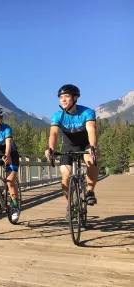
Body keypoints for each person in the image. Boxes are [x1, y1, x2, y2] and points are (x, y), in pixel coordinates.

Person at [45, 84, 100, 219]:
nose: (63, 100)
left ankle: (90, 191)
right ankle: (69, 204)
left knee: (91, 161)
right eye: (61, 97)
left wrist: (93, 147)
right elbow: (54, 134)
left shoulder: (87, 112)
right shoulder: (58, 116)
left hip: (85, 144)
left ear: (75, 98)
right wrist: (51, 149)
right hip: (68, 146)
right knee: (65, 175)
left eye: (66, 96)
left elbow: (91, 130)